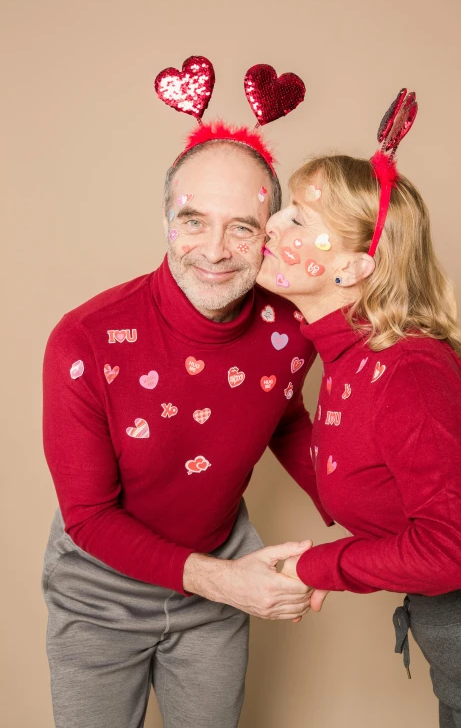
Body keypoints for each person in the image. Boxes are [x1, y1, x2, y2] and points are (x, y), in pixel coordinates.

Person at [41, 89, 334, 727]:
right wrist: (227, 583)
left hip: (219, 583)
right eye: (194, 219)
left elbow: (281, 413)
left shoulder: (291, 328)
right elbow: (88, 518)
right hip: (100, 594)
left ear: (270, 236)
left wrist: (358, 511)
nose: (216, 249)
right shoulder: (84, 339)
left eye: (243, 226)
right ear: (165, 220)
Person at [255, 95, 461, 726]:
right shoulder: (352, 364)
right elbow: (352, 480)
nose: (270, 226)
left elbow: (453, 554)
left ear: (355, 266)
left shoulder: (408, 369)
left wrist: (313, 565)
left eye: (297, 219)